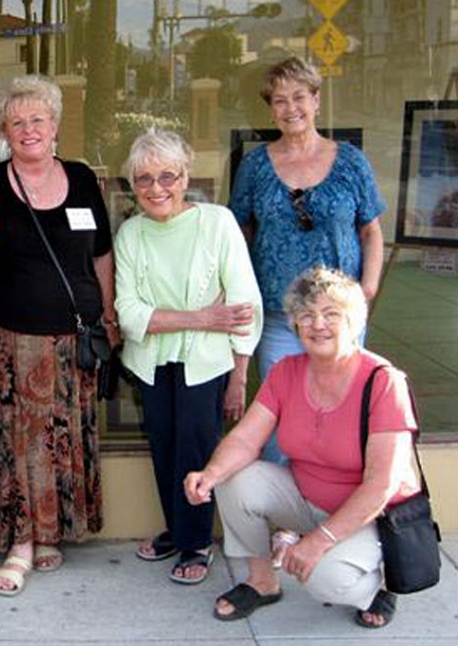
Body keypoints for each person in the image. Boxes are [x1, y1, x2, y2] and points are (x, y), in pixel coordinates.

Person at [184, 267, 418, 629]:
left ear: (354, 321)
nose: (317, 324)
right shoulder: (287, 371)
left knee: (326, 579)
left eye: (331, 314)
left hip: (372, 516)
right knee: (234, 478)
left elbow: (381, 485)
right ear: (295, 326)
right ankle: (261, 581)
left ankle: (383, 583)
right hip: (308, 499)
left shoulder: (384, 381)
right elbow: (247, 439)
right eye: (306, 315)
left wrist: (320, 540)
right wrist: (210, 474)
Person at [0, 75, 118, 597]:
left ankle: (52, 532)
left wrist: (108, 313)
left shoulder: (82, 178)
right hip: (15, 338)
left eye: (38, 119)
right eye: (17, 122)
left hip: (75, 340)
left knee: (62, 441)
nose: (28, 129)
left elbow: (101, 253)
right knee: (20, 443)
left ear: (55, 125)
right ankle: (20, 543)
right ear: (4, 131)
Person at [115, 129, 262, 586]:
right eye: (143, 179)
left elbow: (242, 307)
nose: (156, 189)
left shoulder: (217, 223)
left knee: (196, 450)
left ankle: (196, 542)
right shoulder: (131, 232)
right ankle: (177, 530)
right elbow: (128, 312)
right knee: (164, 448)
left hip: (208, 364)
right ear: (132, 185)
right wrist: (201, 316)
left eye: (167, 176)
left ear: (185, 176)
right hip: (152, 363)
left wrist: (239, 376)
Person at [229, 57, 385, 463]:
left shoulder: (350, 161)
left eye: (299, 96)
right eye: (279, 100)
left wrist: (366, 290)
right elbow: (238, 235)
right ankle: (284, 520)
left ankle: (330, 515)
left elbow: (371, 230)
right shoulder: (254, 166)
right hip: (279, 315)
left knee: (339, 414)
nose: (290, 108)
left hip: (338, 315)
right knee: (281, 419)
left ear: (316, 100)